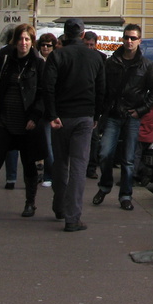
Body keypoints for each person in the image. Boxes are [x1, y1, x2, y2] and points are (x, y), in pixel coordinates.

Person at [0, 24, 45, 223]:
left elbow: (43, 94)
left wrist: (35, 116)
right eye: (20, 39)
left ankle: (30, 203)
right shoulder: (6, 60)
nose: (23, 43)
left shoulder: (38, 64)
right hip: (4, 120)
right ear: (15, 41)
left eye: (27, 40)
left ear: (32, 43)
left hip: (27, 124)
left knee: (29, 163)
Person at [43, 18, 105, 232]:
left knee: (60, 162)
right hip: (84, 116)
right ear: (82, 34)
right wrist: (97, 114)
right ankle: (73, 216)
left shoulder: (57, 55)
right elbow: (101, 89)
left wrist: (52, 114)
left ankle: (59, 206)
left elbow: (48, 87)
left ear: (65, 34)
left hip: (61, 116)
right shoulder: (95, 57)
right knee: (79, 165)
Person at [93, 24, 153, 211]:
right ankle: (105, 186)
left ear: (139, 41)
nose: (129, 41)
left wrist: (141, 110)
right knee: (104, 154)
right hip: (113, 114)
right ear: (122, 39)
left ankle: (126, 195)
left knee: (128, 159)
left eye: (133, 38)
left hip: (132, 116)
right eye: (127, 37)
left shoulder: (146, 65)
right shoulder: (112, 62)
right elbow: (102, 89)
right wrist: (100, 112)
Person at [36, 32, 59, 187]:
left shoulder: (55, 62)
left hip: (50, 110)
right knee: (41, 144)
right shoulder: (37, 62)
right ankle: (44, 174)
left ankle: (49, 175)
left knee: (49, 144)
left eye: (48, 45)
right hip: (38, 109)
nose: (45, 47)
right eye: (43, 45)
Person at [83, 30, 102, 178]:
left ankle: (91, 167)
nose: (89, 47)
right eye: (87, 44)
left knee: (94, 138)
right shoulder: (79, 57)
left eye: (91, 45)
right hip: (81, 103)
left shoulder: (100, 58)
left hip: (94, 104)